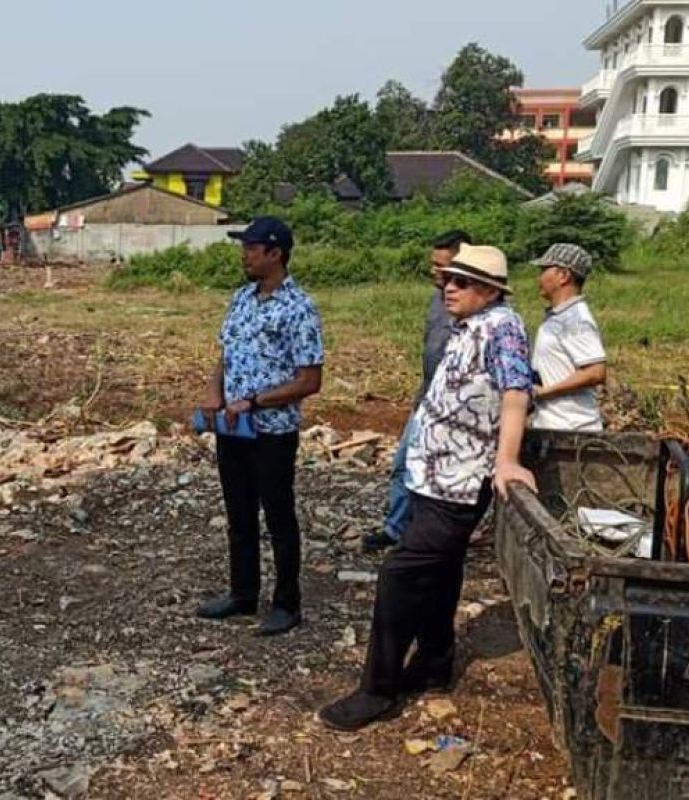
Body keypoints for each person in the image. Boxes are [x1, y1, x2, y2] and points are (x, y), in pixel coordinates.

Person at [319, 244, 536, 731]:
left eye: (460, 282)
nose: (448, 288)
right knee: (438, 573)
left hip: (459, 481)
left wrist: (506, 460)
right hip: (433, 476)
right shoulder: (468, 328)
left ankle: (378, 689)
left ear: (488, 290)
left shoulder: (501, 327)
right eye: (446, 280)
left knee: (401, 575)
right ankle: (435, 661)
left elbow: (517, 391)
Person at [196, 216, 324, 637]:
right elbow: (226, 354)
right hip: (233, 430)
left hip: (272, 432)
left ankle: (287, 604)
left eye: (251, 248)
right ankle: (242, 594)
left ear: (275, 253)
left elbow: (309, 380)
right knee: (239, 514)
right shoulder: (241, 299)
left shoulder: (299, 308)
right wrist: (214, 391)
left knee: (279, 518)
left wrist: (254, 402)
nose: (244, 255)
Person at [362, 230, 472, 554]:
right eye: (433, 265)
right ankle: (396, 530)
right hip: (425, 399)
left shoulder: (478, 310)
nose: (434, 272)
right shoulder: (437, 301)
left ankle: (426, 536)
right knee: (403, 465)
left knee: (435, 474)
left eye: (441, 265)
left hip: (453, 408)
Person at [529, 244, 607, 432]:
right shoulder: (561, 316)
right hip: (554, 425)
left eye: (544, 270)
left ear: (563, 276)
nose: (539, 278)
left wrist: (542, 393)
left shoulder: (575, 320)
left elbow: (595, 372)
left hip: (571, 428)